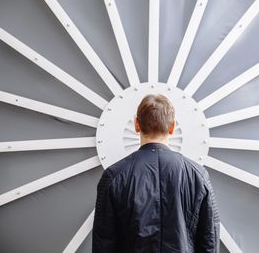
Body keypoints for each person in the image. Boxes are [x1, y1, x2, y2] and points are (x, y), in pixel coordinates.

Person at [92, 94, 220, 252]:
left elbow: (103, 244)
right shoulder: (198, 175)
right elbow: (209, 240)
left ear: (137, 125)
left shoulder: (114, 176)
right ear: (172, 127)